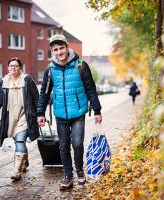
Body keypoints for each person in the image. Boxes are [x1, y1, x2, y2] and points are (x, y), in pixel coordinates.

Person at [37, 34, 102, 190]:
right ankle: (67, 175)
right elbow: (44, 93)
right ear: (52, 51)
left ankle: (79, 170)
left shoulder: (81, 65)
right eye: (55, 50)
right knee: (64, 145)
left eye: (61, 48)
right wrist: (40, 113)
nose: (59, 52)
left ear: (67, 46)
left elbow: (90, 89)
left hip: (78, 112)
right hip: (60, 114)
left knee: (78, 144)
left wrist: (97, 110)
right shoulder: (50, 69)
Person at [0, 57, 39, 181]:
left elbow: (36, 98)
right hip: (10, 118)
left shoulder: (27, 80)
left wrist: (39, 114)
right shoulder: (3, 82)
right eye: (11, 66)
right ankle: (24, 162)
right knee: (18, 140)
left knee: (20, 140)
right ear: (8, 68)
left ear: (20, 68)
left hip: (24, 116)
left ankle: (16, 170)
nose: (13, 68)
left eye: (16, 66)